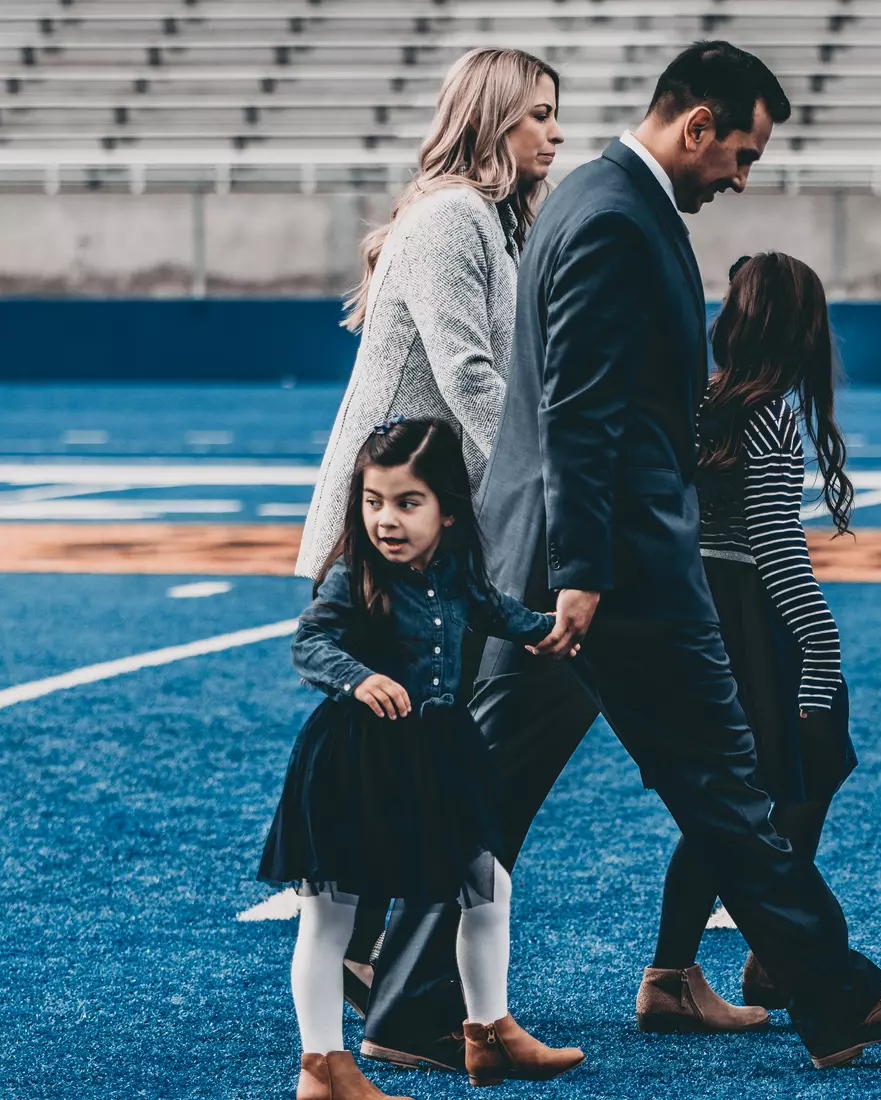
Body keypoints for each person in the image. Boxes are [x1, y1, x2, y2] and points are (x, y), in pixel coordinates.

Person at [367, 39, 881, 1074]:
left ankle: (412, 1004)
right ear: (696, 124)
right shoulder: (614, 215)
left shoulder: (590, 198)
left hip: (551, 561)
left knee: (487, 793)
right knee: (723, 783)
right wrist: (585, 571)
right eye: (740, 152)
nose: (741, 177)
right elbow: (582, 412)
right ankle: (839, 995)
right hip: (614, 573)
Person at [290, 45, 562, 1025]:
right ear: (491, 122)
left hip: (424, 523)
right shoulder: (453, 219)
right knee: (399, 736)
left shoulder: (484, 222)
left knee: (421, 734)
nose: (555, 133)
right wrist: (546, 488)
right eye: (536, 115)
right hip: (390, 527)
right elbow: (469, 379)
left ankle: (369, 953)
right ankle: (363, 961)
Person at [258, 417, 585, 1097]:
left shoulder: (454, 568)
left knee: (488, 886)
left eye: (407, 503)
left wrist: (549, 630)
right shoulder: (352, 576)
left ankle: (489, 1033)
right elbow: (309, 644)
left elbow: (493, 609)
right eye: (374, 502)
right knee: (331, 916)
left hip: (432, 757)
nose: (387, 520)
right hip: (355, 762)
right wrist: (358, 677)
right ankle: (322, 1066)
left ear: (447, 508)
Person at [636, 251, 861, 1033]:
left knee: (733, 800)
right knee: (788, 777)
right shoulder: (768, 412)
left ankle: (742, 959)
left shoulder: (697, 399)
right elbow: (775, 548)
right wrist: (823, 654)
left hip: (694, 609)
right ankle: (754, 957)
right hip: (749, 620)